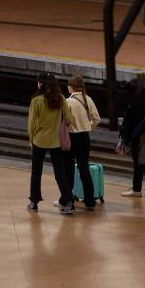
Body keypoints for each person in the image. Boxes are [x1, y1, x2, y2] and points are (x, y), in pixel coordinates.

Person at [27, 72, 74, 214]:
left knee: (36, 172)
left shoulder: (36, 101)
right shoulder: (61, 99)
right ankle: (69, 202)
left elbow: (31, 124)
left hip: (39, 141)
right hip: (56, 142)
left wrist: (31, 139)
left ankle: (34, 203)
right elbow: (69, 120)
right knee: (60, 172)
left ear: (40, 84)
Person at [60, 75, 100, 210]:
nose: (67, 87)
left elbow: (65, 121)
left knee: (68, 169)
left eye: (68, 85)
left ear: (72, 87)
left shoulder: (68, 102)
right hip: (84, 138)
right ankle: (90, 201)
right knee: (84, 169)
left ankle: (67, 199)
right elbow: (96, 119)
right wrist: (88, 126)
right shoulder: (88, 99)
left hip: (71, 138)